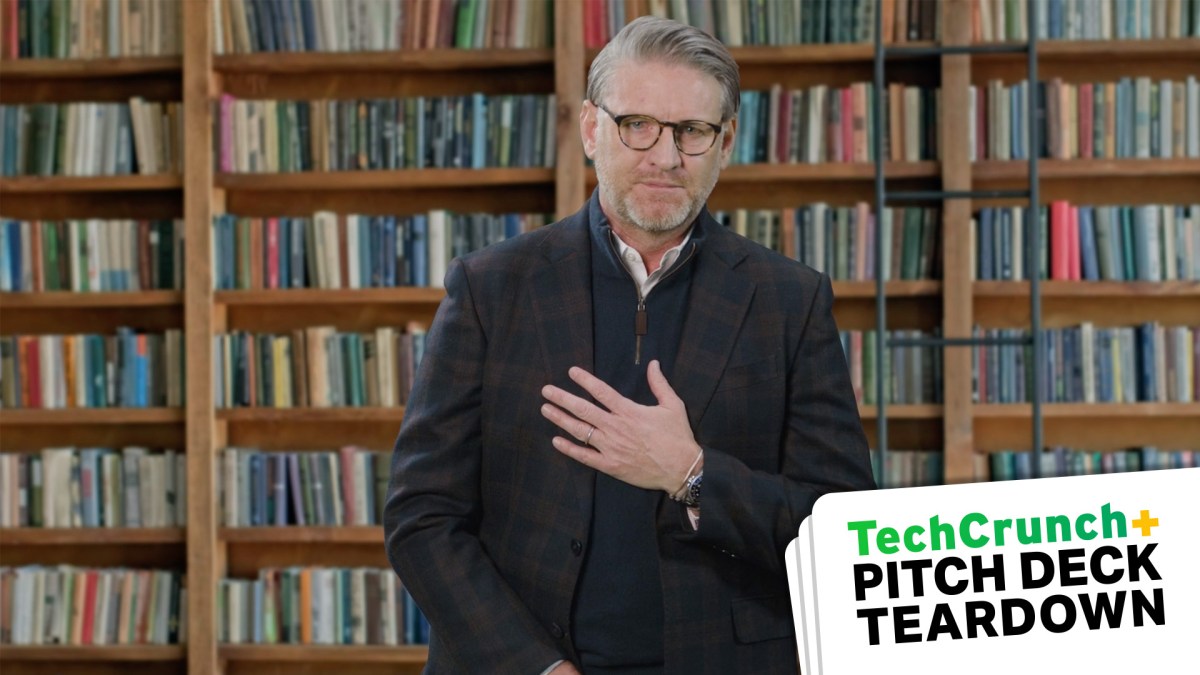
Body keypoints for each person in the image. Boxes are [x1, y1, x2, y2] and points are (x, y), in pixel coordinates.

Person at [384, 16, 874, 675]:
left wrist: (692, 474)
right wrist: (536, 669)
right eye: (636, 124)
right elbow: (422, 517)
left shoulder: (791, 299)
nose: (665, 156)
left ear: (725, 142)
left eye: (692, 131)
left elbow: (842, 535)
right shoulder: (489, 287)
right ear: (591, 128)